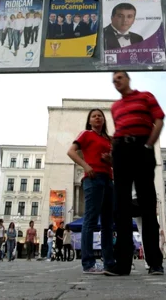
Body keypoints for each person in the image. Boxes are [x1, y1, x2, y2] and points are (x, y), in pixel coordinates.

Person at [104, 71, 165, 277]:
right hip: (121, 150)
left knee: (147, 205)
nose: (116, 82)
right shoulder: (115, 107)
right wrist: (113, 154)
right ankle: (122, 264)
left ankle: (155, 262)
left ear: (128, 79)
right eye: (113, 80)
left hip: (142, 148)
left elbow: (159, 120)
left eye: (119, 78)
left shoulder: (146, 96)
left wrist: (149, 145)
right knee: (120, 208)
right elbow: (119, 130)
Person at [67, 108, 114, 274]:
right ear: (90, 121)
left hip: (109, 180)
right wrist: (86, 166)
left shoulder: (108, 139)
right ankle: (88, 263)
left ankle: (109, 262)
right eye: (94, 116)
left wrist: (111, 160)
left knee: (108, 223)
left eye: (100, 116)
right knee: (91, 220)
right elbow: (71, 151)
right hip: (93, 179)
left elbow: (114, 161)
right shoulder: (86, 134)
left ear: (104, 120)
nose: (97, 118)